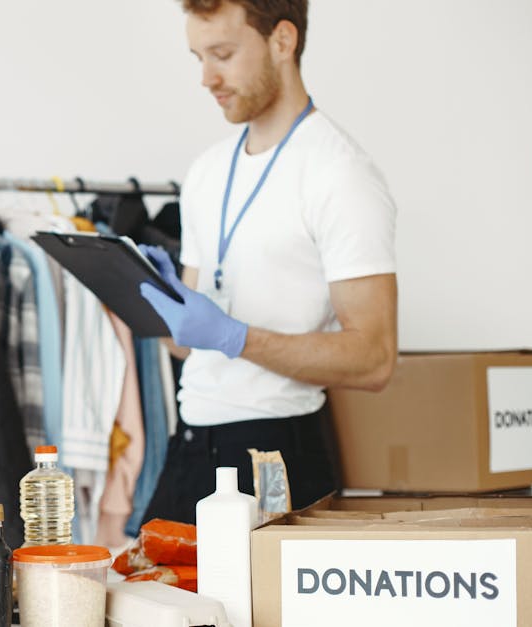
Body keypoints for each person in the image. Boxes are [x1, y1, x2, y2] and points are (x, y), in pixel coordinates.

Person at [138, 0, 398, 525]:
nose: (207, 78)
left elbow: (375, 359)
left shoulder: (340, 174)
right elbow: (189, 345)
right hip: (190, 446)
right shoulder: (207, 172)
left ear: (283, 41)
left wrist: (237, 337)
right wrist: (143, 301)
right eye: (198, 58)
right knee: (139, 582)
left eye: (222, 54)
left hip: (275, 451)